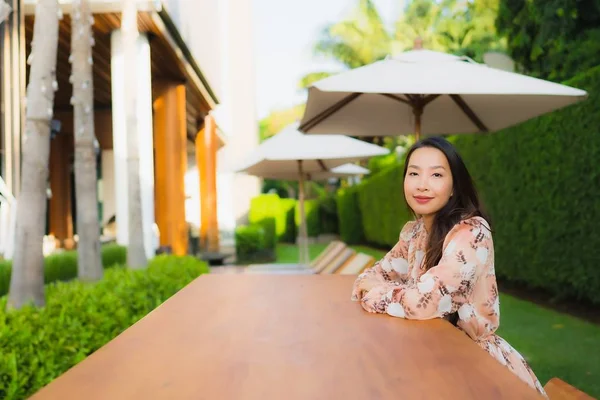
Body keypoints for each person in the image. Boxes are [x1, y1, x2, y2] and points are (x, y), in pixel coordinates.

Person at [351, 137, 547, 397]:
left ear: (454, 186)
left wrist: (378, 293)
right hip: (428, 355)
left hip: (477, 365)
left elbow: (428, 301)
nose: (422, 185)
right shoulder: (414, 233)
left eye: (436, 174)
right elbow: (373, 275)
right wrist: (387, 290)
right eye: (414, 173)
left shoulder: (472, 233)